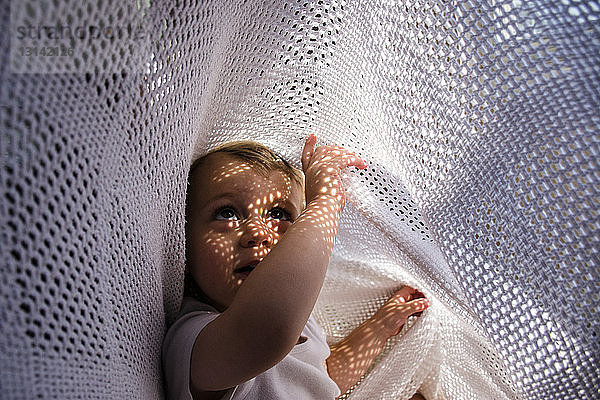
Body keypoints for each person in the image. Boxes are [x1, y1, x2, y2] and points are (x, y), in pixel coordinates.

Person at [162, 134, 430, 399]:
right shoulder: (191, 338)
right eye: (227, 212)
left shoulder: (304, 322)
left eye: (279, 214)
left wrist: (380, 327)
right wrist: (325, 203)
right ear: (184, 243)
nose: (258, 231)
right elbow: (267, 328)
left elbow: (322, 377)